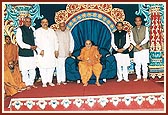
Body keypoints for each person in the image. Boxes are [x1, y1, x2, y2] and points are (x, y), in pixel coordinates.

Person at [34, 18, 58, 87]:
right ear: (41, 23)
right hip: (42, 52)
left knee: (51, 67)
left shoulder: (52, 31)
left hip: (51, 52)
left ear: (48, 23)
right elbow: (35, 43)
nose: (45, 23)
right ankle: (44, 82)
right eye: (43, 22)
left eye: (46, 22)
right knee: (43, 67)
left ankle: (50, 81)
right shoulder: (37, 31)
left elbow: (56, 41)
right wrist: (39, 50)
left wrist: (56, 50)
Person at [16, 16, 37, 89]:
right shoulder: (20, 29)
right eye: (26, 21)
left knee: (32, 69)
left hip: (32, 53)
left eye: (29, 21)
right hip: (23, 54)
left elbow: (35, 40)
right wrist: (30, 47)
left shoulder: (33, 29)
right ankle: (27, 84)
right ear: (24, 22)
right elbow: (20, 42)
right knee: (24, 70)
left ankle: (31, 83)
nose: (28, 23)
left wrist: (36, 47)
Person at [130, 16, 149, 82]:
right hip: (136, 49)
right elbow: (131, 40)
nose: (138, 22)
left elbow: (147, 38)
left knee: (144, 63)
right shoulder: (132, 30)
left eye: (139, 21)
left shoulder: (145, 28)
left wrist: (140, 45)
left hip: (144, 48)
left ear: (141, 21)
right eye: (136, 21)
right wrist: (136, 46)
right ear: (135, 22)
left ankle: (145, 77)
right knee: (137, 64)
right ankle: (138, 76)